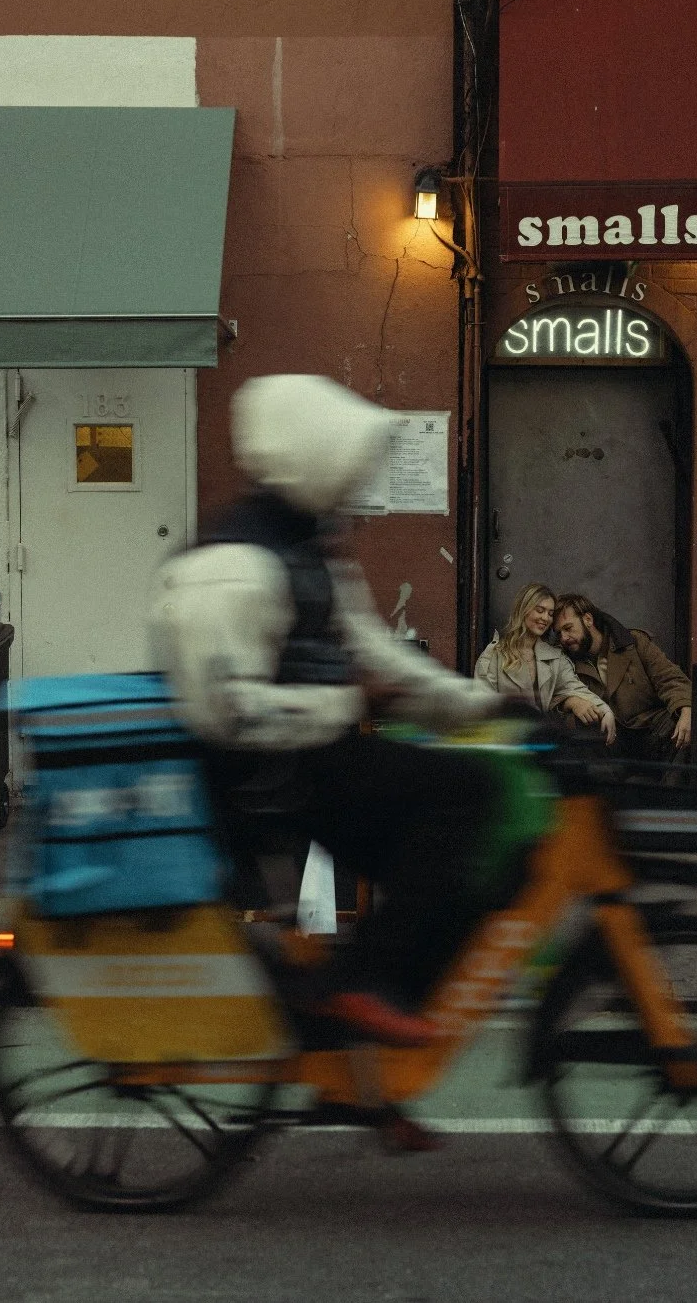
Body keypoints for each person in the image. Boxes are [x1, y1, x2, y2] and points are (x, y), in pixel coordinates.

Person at [149, 375, 525, 1050]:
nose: (355, 487)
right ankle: (359, 989)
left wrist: (477, 703)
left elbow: (369, 642)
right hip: (269, 781)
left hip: (313, 759)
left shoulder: (306, 542)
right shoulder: (234, 562)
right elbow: (228, 715)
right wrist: (350, 701)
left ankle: (358, 1042)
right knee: (466, 794)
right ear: (313, 456)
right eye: (346, 468)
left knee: (461, 879)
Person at [553, 593, 696, 764]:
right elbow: (551, 695)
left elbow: (670, 679)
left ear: (588, 620)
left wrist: (686, 710)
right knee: (580, 734)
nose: (563, 638)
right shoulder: (564, 661)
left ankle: (670, 791)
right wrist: (572, 701)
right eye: (559, 633)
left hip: (650, 728)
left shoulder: (633, 642)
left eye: (568, 628)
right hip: (609, 740)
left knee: (680, 728)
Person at [474, 582, 616, 744]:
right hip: (504, 743)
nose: (545, 618)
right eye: (540, 611)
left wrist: (605, 711)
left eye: (550, 613)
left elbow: (575, 688)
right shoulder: (494, 655)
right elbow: (482, 706)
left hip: (542, 743)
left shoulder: (555, 657)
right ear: (523, 610)